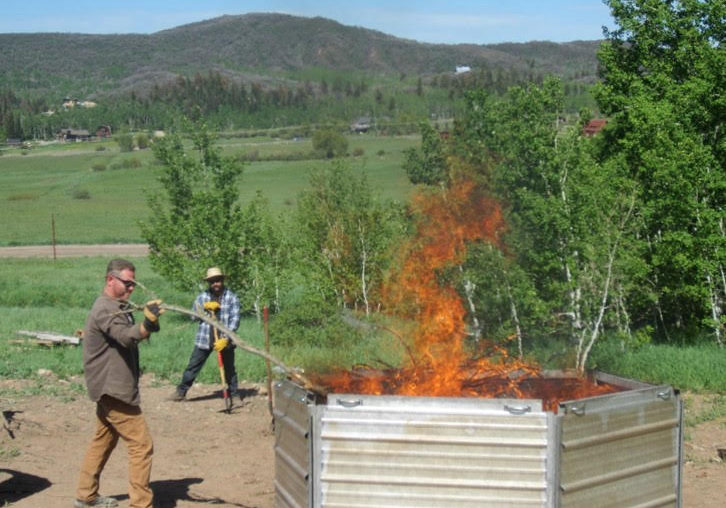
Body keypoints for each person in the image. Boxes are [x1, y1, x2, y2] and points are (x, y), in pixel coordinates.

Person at [74, 259, 164, 508]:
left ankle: (85, 495)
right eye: (127, 283)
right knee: (141, 445)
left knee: (103, 439)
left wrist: (150, 323)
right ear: (110, 280)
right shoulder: (105, 308)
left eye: (133, 284)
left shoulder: (119, 306)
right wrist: (146, 324)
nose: (131, 288)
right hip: (113, 389)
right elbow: (126, 337)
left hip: (109, 387)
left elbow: (135, 333)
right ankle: (140, 505)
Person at [170, 266, 241, 401]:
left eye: (218, 280)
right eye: (212, 281)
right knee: (193, 366)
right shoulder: (202, 297)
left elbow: (235, 321)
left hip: (224, 340)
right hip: (205, 338)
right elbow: (193, 316)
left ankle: (234, 393)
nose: (215, 284)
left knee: (229, 369)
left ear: (222, 281)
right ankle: (181, 392)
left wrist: (225, 339)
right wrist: (203, 309)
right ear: (209, 283)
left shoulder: (232, 297)